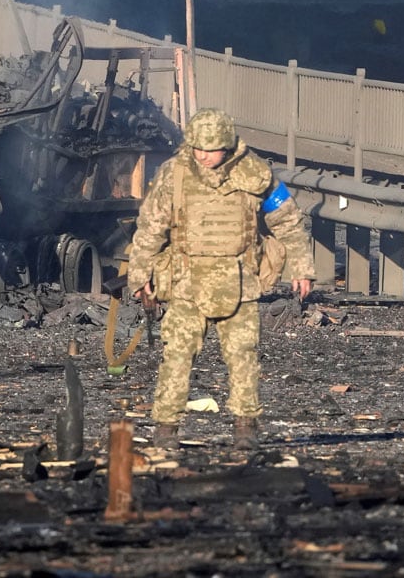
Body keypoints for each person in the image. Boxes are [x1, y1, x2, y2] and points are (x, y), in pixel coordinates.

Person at [127, 108, 314, 450]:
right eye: (198, 147)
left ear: (227, 147)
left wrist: (302, 268)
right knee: (177, 355)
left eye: (210, 149)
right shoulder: (175, 174)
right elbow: (150, 227)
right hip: (186, 282)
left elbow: (287, 220)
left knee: (243, 356)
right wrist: (140, 274)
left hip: (240, 282)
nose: (203, 155)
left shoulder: (256, 174)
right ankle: (166, 430)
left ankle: (246, 429)